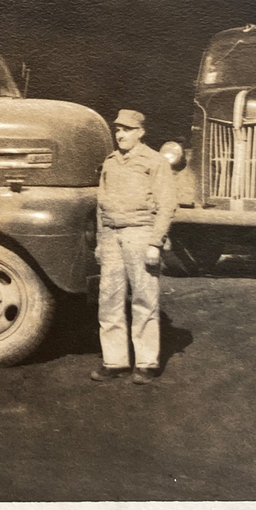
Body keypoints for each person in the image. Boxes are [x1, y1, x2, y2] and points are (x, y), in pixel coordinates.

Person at [91, 108, 177, 385]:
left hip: (141, 234)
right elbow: (100, 204)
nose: (120, 135)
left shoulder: (154, 161)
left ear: (141, 132)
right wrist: (102, 242)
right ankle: (114, 361)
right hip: (112, 236)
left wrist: (156, 243)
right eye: (118, 130)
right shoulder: (111, 162)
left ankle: (146, 363)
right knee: (109, 300)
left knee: (144, 299)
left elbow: (167, 205)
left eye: (127, 130)